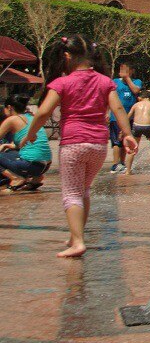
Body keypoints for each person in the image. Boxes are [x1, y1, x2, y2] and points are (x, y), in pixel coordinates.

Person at [20, 35, 135, 257]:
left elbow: (43, 111)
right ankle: (76, 234)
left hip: (73, 143)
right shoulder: (104, 81)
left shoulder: (62, 82)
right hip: (98, 145)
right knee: (84, 190)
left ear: (67, 56)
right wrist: (127, 134)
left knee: (71, 193)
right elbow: (119, 109)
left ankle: (78, 242)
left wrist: (31, 134)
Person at [0, 94, 52, 191]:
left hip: (31, 165)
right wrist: (6, 145)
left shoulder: (12, 120)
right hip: (46, 165)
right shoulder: (32, 117)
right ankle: (36, 178)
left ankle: (15, 178)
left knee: (5, 156)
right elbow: (28, 142)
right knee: (10, 153)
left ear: (9, 107)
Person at [109, 61, 142, 173]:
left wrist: (127, 78)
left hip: (130, 117)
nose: (122, 72)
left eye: (125, 70)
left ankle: (122, 163)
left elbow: (136, 90)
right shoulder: (115, 82)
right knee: (116, 141)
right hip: (116, 117)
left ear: (131, 71)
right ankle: (115, 164)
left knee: (126, 140)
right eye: (121, 69)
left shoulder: (136, 82)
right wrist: (106, 112)